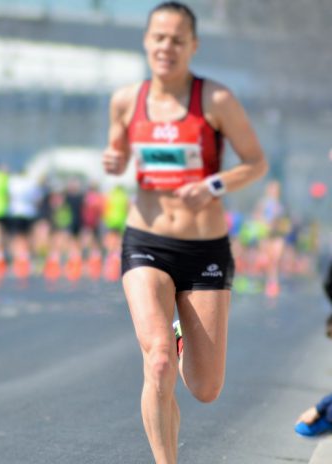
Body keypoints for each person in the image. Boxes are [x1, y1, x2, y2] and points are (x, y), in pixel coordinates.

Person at [101, 3, 268, 463]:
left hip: (204, 249)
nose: (166, 48)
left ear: (193, 46)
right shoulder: (125, 101)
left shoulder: (215, 101)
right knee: (156, 361)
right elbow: (117, 151)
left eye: (177, 40)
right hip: (146, 242)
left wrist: (213, 184)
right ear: (146, 41)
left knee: (205, 387)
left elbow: (256, 162)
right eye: (159, 38)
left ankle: (177, 338)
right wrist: (113, 161)